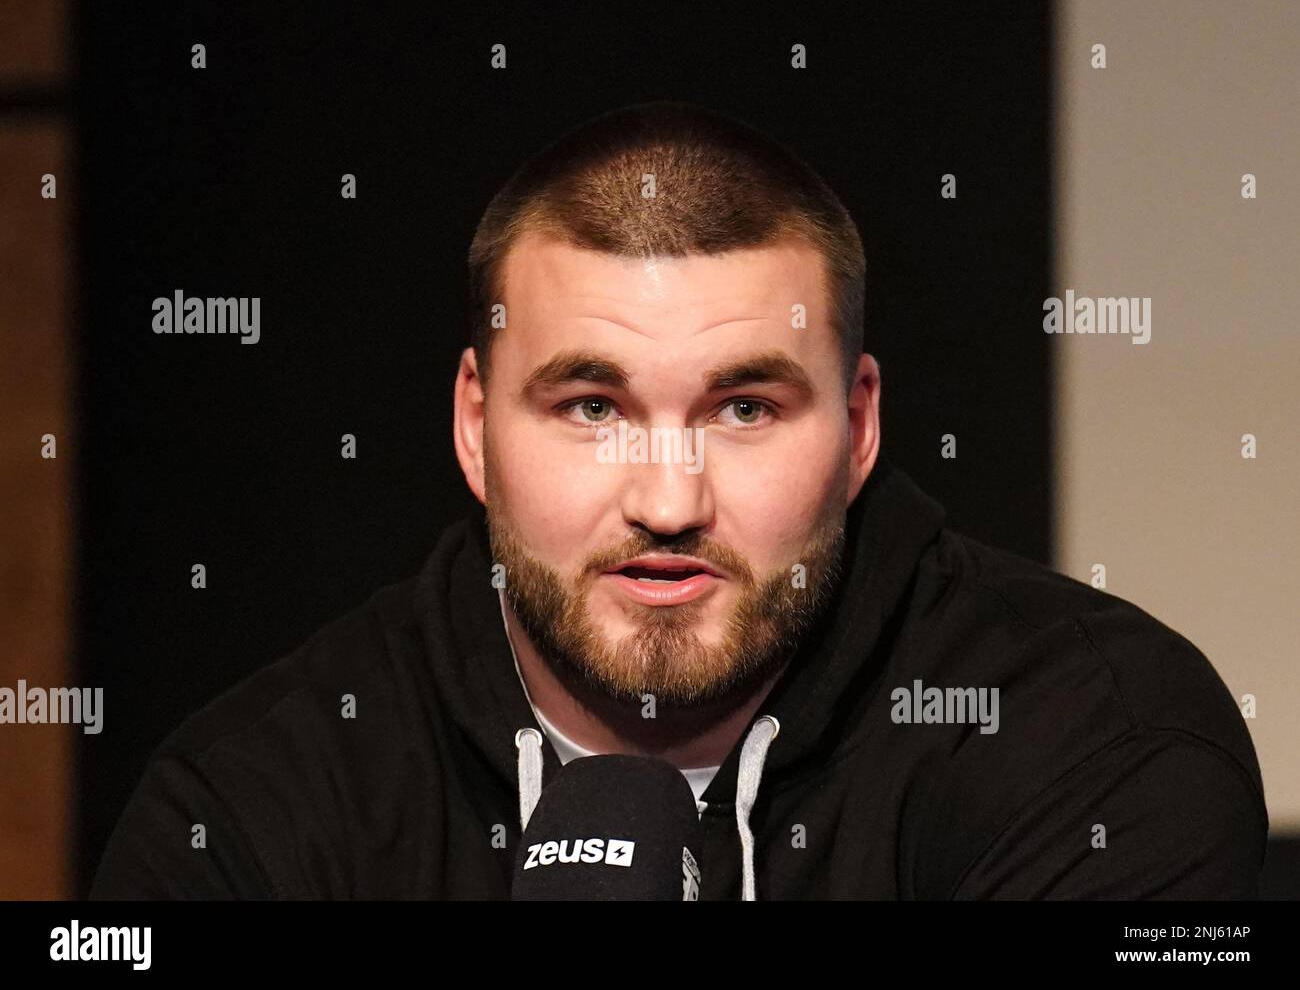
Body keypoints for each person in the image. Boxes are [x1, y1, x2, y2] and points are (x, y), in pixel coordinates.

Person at [91, 101, 1266, 900]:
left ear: (857, 428)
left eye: (744, 407)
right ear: (472, 423)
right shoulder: (255, 807)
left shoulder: (1101, 746)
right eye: (591, 406)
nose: (666, 499)